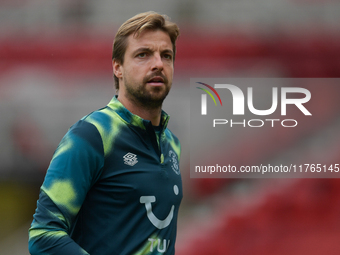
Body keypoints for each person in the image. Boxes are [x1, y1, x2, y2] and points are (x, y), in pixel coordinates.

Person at [28, 11, 182, 255]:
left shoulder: (172, 145)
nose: (158, 64)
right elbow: (44, 236)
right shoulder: (92, 135)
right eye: (143, 54)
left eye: (166, 56)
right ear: (118, 67)